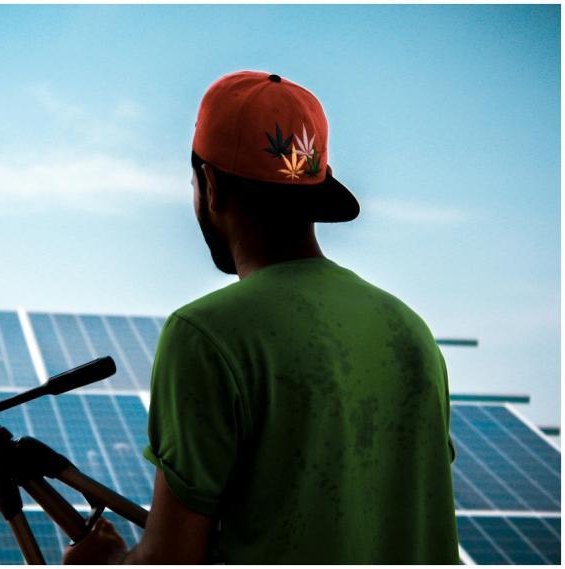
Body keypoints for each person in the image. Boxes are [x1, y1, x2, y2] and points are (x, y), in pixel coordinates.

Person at [62, 70, 460, 564]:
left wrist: (104, 562)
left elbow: (172, 560)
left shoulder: (205, 335)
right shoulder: (410, 330)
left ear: (210, 185)